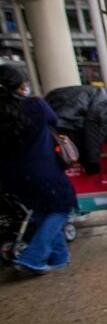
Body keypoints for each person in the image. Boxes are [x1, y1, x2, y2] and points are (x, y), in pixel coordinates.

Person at [0, 64, 77, 276]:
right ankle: (33, 258)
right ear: (21, 85)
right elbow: (54, 120)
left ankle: (59, 257)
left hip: (10, 175)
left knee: (43, 211)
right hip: (42, 168)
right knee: (62, 207)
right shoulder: (34, 105)